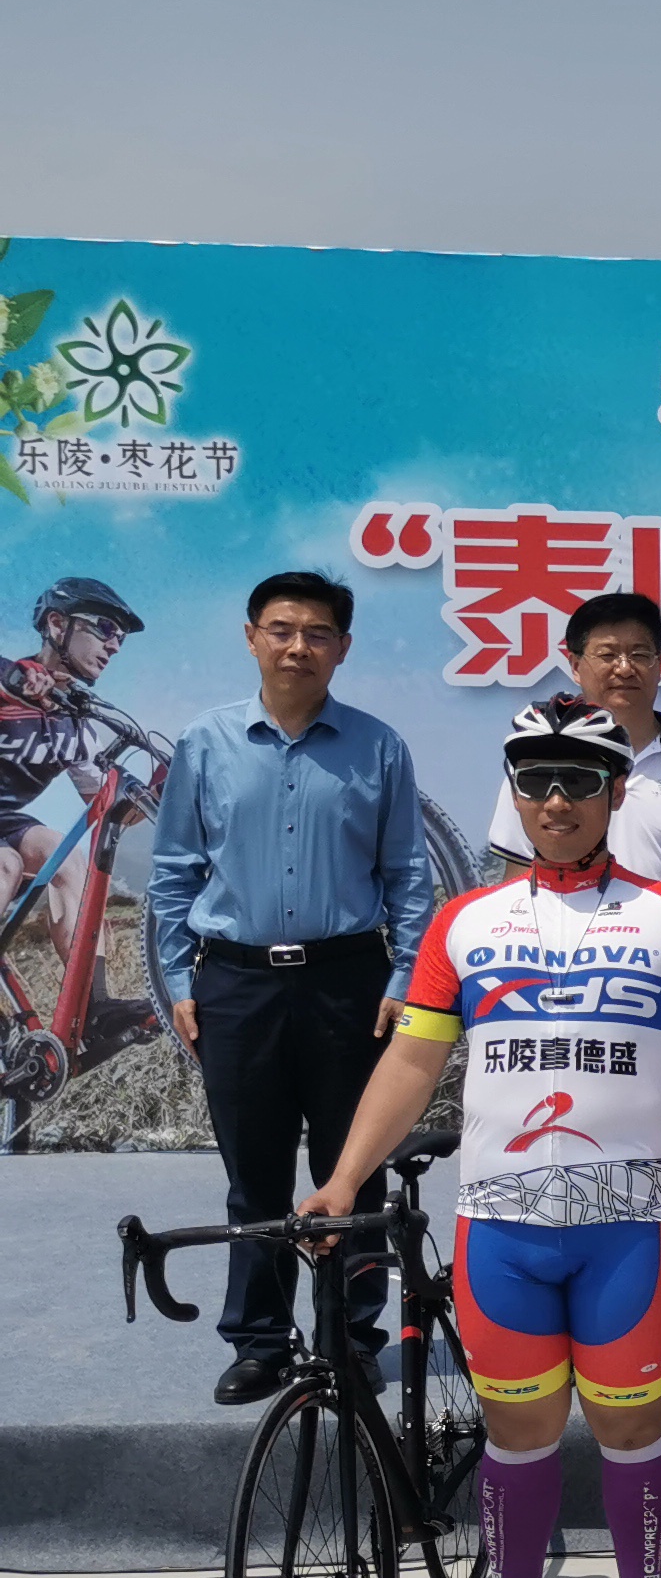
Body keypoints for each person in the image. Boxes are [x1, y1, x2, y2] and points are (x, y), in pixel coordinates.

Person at [299, 698, 661, 1578]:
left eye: (578, 779)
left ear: (616, 792)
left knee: (632, 1426)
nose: (556, 799)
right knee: (517, 1433)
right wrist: (341, 1180)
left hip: (630, 1225)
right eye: (536, 780)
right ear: (516, 794)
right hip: (502, 1224)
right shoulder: (468, 921)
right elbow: (413, 1062)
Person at [147, 572, 435, 1404]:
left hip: (350, 983)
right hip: (236, 983)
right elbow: (173, 872)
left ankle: (351, 1337)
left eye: (317, 633)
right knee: (255, 1173)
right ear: (251, 638)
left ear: (343, 648)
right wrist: (179, 978)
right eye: (281, 629)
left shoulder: (378, 747)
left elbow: (407, 876)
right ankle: (261, 1342)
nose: (297, 646)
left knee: (356, 1169)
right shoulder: (206, 743)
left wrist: (405, 975)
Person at [482, 590, 661, 952]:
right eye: (607, 655)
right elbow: (516, 879)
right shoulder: (537, 767)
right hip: (560, 960)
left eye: (640, 654)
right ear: (575, 665)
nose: (624, 668)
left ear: (659, 665)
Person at [0, 576, 164, 1066]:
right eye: (105, 628)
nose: (114, 645)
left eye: (121, 638)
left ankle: (94, 1007)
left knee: (66, 855)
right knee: (6, 865)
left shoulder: (76, 724)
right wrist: (14, 678)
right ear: (57, 624)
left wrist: (163, 788)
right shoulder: (9, 682)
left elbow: (112, 811)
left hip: (5, 820)